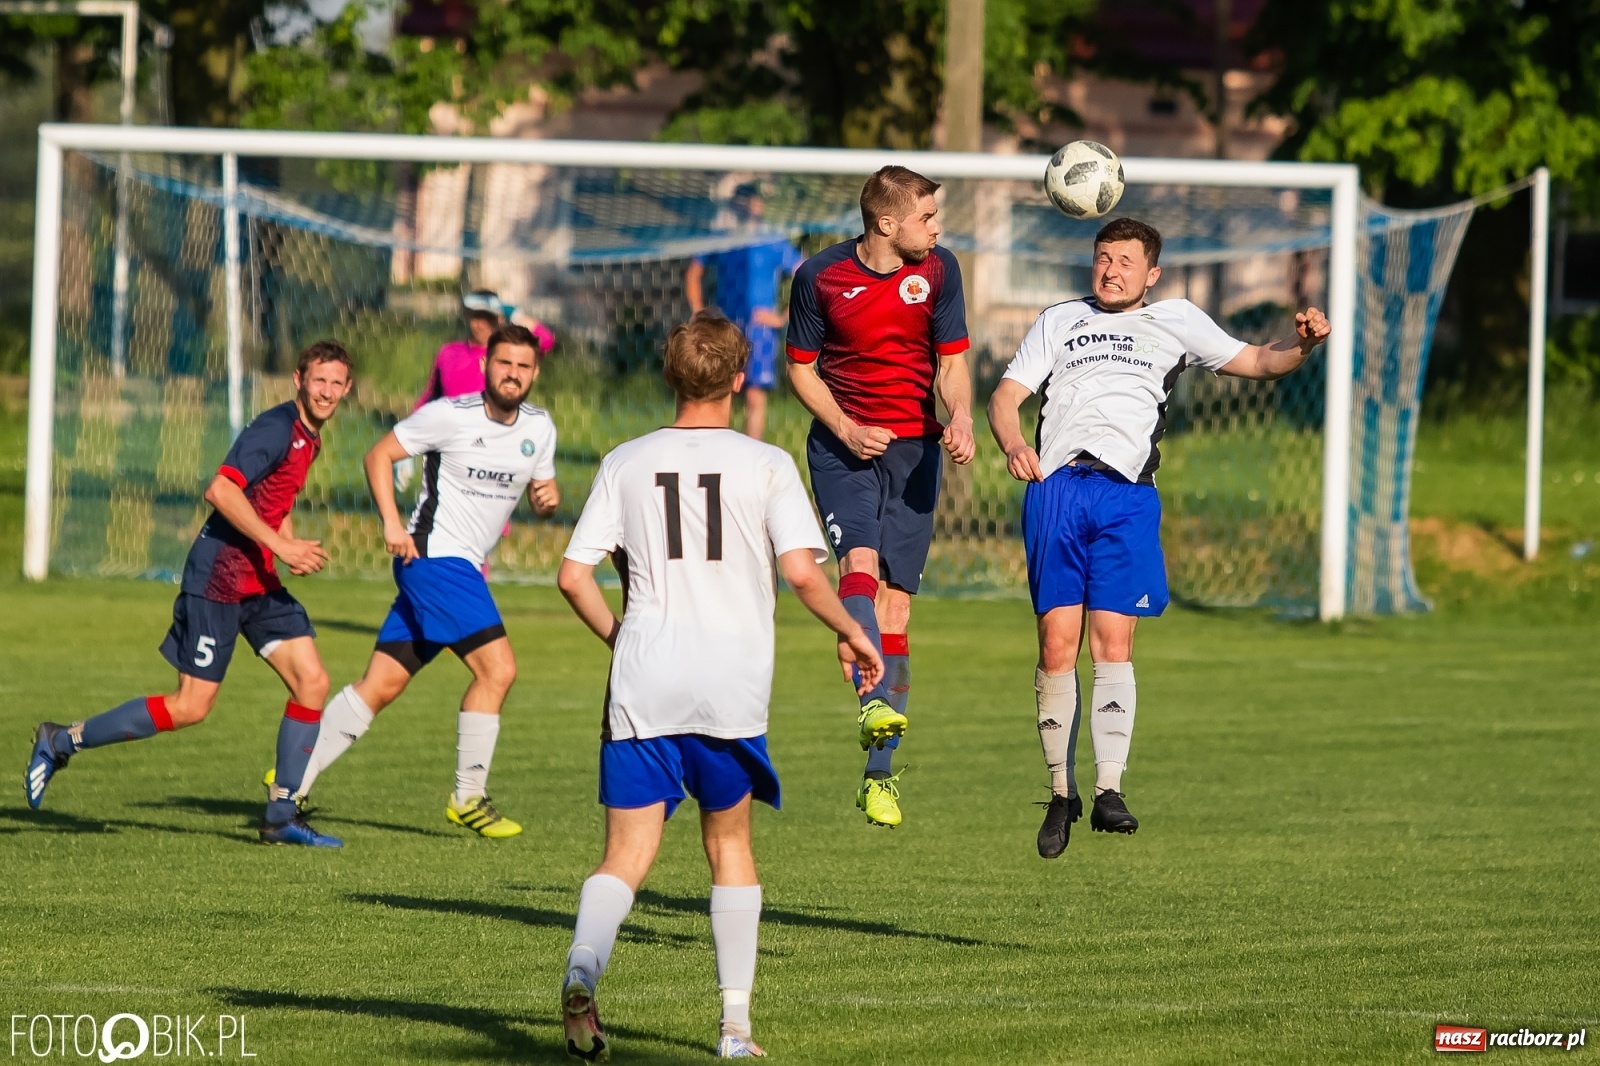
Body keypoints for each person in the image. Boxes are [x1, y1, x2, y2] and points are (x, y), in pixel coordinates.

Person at [555, 311, 884, 1061]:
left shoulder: (625, 461)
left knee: (626, 854)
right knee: (728, 846)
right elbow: (803, 573)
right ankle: (735, 1027)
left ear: (669, 376)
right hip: (730, 685)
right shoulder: (765, 463)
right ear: (740, 380)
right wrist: (853, 630)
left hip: (645, 679)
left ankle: (583, 969)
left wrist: (622, 636)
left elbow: (573, 576)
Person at [986, 217, 1331, 858]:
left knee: (1113, 643)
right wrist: (1011, 444)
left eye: (1124, 260)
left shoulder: (1175, 318)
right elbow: (1005, 397)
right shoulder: (1060, 320)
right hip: (1057, 489)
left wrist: (1302, 344)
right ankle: (1061, 794)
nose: (1111, 269)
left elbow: (1258, 361)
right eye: (1103, 257)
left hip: (1126, 497)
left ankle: (1109, 788)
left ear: (1152, 274)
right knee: (1057, 645)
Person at [25, 341, 356, 848]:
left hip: (258, 580)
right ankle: (62, 739)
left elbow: (271, 498)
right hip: (219, 580)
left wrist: (284, 543)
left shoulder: (310, 438)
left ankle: (280, 816)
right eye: (320, 380)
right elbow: (222, 490)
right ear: (298, 379)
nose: (328, 391)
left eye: (337, 383)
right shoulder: (276, 428)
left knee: (312, 681)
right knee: (191, 706)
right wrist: (279, 545)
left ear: (347, 388)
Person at [286, 324, 560, 839]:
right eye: (504, 364)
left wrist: (547, 501)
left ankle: (292, 778)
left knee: (381, 685)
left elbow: (544, 489)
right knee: (498, 670)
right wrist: (391, 521)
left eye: (523, 367)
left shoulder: (539, 428)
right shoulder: (448, 416)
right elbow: (379, 455)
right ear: (486, 365)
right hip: (435, 559)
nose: (513, 374)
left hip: (456, 566)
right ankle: (468, 797)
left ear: (535, 372)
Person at [783, 165, 975, 829]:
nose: (937, 228)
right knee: (858, 568)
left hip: (917, 451)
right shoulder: (820, 278)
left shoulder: (941, 271)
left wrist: (962, 416)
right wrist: (845, 426)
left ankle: (878, 777)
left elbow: (952, 362)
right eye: (926, 217)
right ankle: (870, 706)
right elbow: (800, 370)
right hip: (844, 450)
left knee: (897, 611)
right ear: (886, 223)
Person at [685, 183, 803, 442]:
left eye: (754, 200)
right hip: (726, 327)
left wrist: (784, 316)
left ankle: (752, 457)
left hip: (759, 329)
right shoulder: (724, 239)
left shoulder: (773, 241)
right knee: (718, 392)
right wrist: (699, 314)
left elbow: (805, 274)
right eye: (745, 200)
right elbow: (694, 272)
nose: (751, 205)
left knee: (754, 396)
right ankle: (719, 453)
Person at [419, 290, 555, 407]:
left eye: (488, 318)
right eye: (476, 317)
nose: (481, 325)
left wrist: (513, 313)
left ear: (500, 319)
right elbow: (430, 396)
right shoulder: (449, 352)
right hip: (450, 431)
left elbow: (546, 340)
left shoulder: (507, 355)